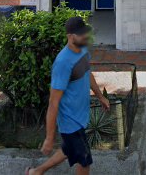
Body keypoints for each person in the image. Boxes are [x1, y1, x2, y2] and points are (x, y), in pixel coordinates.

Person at [27, 17, 110, 175]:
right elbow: (53, 102)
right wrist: (49, 138)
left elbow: (87, 73)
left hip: (81, 115)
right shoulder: (63, 62)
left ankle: (36, 172)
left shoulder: (83, 49)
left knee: (68, 149)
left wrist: (100, 96)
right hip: (70, 121)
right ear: (70, 36)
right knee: (84, 161)